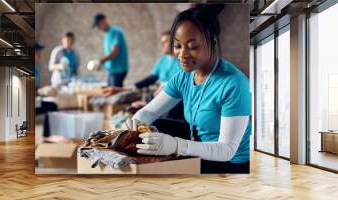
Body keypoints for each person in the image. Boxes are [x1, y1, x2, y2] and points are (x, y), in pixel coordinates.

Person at [129, 4, 252, 173]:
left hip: (230, 163)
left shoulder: (234, 83)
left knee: (160, 171)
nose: (182, 54)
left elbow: (227, 150)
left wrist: (176, 145)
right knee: (154, 126)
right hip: (198, 146)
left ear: (213, 42)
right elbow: (150, 112)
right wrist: (137, 120)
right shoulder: (184, 76)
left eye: (193, 47)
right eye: (178, 46)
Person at [102, 30, 181, 96]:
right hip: (161, 95)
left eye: (166, 42)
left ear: (174, 42)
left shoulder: (182, 61)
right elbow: (150, 80)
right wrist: (122, 89)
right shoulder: (161, 61)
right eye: (162, 42)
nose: (162, 45)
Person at [92, 13, 129, 87]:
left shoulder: (115, 32)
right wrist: (101, 64)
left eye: (98, 25)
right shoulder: (107, 34)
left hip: (118, 70)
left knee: (115, 94)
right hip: (112, 70)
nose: (98, 28)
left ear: (103, 21)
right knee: (109, 90)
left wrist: (100, 61)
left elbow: (115, 52)